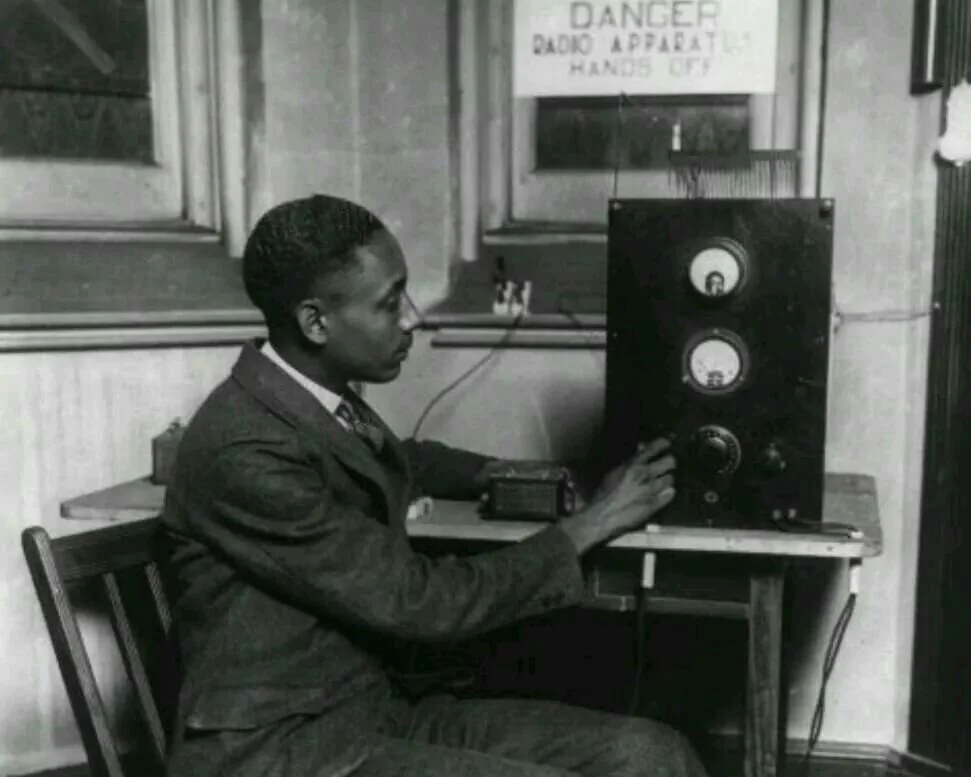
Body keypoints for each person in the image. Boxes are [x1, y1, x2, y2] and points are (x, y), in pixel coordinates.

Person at [159, 194, 708, 777]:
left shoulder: (306, 397)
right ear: (315, 322)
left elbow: (400, 460)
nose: (413, 317)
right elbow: (421, 602)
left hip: (368, 712)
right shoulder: (245, 446)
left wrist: (527, 476)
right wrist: (591, 523)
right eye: (390, 302)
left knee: (654, 755)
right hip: (280, 749)